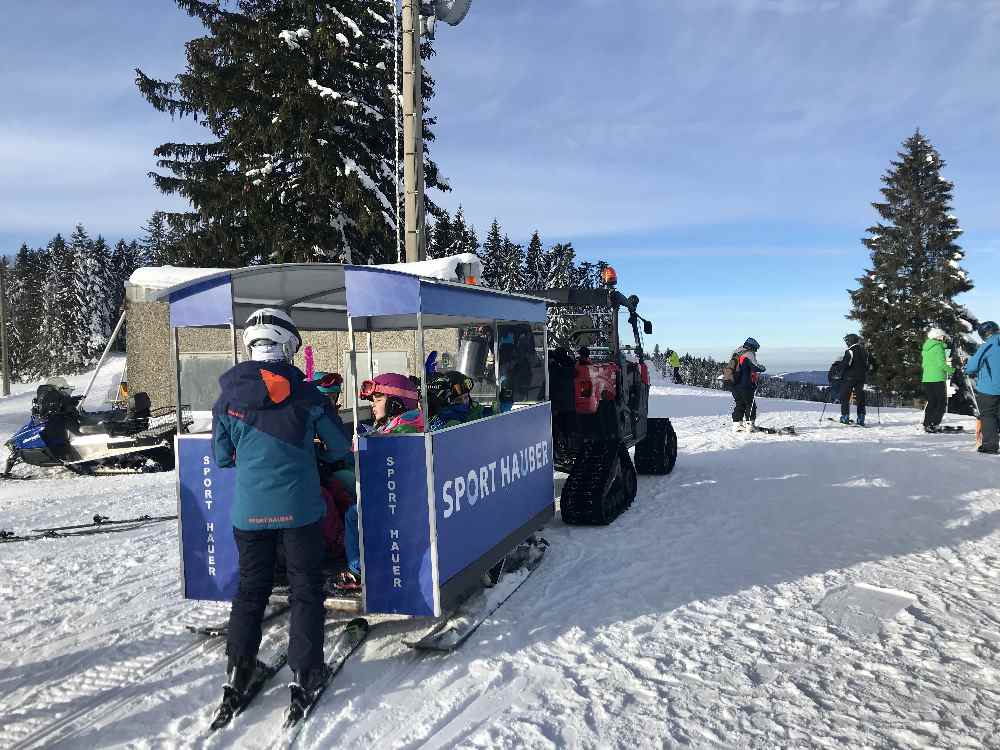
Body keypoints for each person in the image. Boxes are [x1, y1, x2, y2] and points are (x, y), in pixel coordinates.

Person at [212, 308, 352, 707]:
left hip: (249, 513)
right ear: (288, 345)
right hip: (300, 511)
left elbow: (223, 458)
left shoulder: (228, 398)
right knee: (305, 590)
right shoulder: (307, 395)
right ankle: (306, 672)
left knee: (251, 590)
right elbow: (339, 447)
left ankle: (238, 671)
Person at [335, 373, 424, 592]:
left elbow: (381, 460)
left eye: (378, 400)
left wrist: (361, 446)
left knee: (353, 514)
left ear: (395, 403)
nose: (373, 407)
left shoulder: (402, 430)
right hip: (404, 495)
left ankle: (358, 569)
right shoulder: (409, 422)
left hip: (399, 501)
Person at [965, 321, 1000, 454]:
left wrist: (966, 368)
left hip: (990, 388)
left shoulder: (987, 346)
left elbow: (972, 366)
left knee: (988, 415)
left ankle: (990, 446)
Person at [427, 370, 492, 431]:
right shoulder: (445, 423)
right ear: (446, 402)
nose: (464, 402)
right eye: (458, 400)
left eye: (466, 397)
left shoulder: (477, 410)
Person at [921, 328, 955, 433]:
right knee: (941, 402)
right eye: (942, 336)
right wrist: (952, 370)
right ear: (938, 337)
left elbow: (924, 364)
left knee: (932, 401)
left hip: (927, 378)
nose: (944, 338)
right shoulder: (938, 348)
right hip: (937, 378)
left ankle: (927, 423)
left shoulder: (926, 348)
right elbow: (941, 364)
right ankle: (934, 424)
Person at [731, 338, 766, 431]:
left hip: (734, 384)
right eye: (755, 349)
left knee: (740, 403)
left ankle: (737, 425)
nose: (756, 351)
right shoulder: (749, 354)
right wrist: (763, 368)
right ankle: (750, 426)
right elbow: (756, 367)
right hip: (745, 384)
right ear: (752, 346)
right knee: (750, 404)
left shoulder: (737, 352)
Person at [838, 334, 869, 426]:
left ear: (850, 341)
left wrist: (839, 375)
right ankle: (861, 418)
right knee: (860, 398)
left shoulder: (850, 351)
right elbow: (867, 365)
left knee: (845, 397)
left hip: (849, 378)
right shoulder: (864, 351)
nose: (846, 343)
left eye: (847, 341)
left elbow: (845, 365)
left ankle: (845, 417)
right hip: (861, 378)